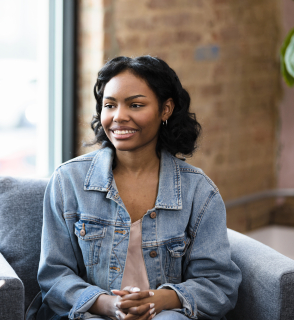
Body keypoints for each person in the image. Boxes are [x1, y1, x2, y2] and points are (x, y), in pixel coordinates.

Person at [37, 56, 241, 320]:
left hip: (168, 314)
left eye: (135, 104)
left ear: (165, 109)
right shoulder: (68, 181)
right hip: (92, 313)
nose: (119, 116)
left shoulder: (198, 191)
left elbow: (218, 283)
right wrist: (108, 305)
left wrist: (158, 300)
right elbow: (54, 275)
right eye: (109, 105)